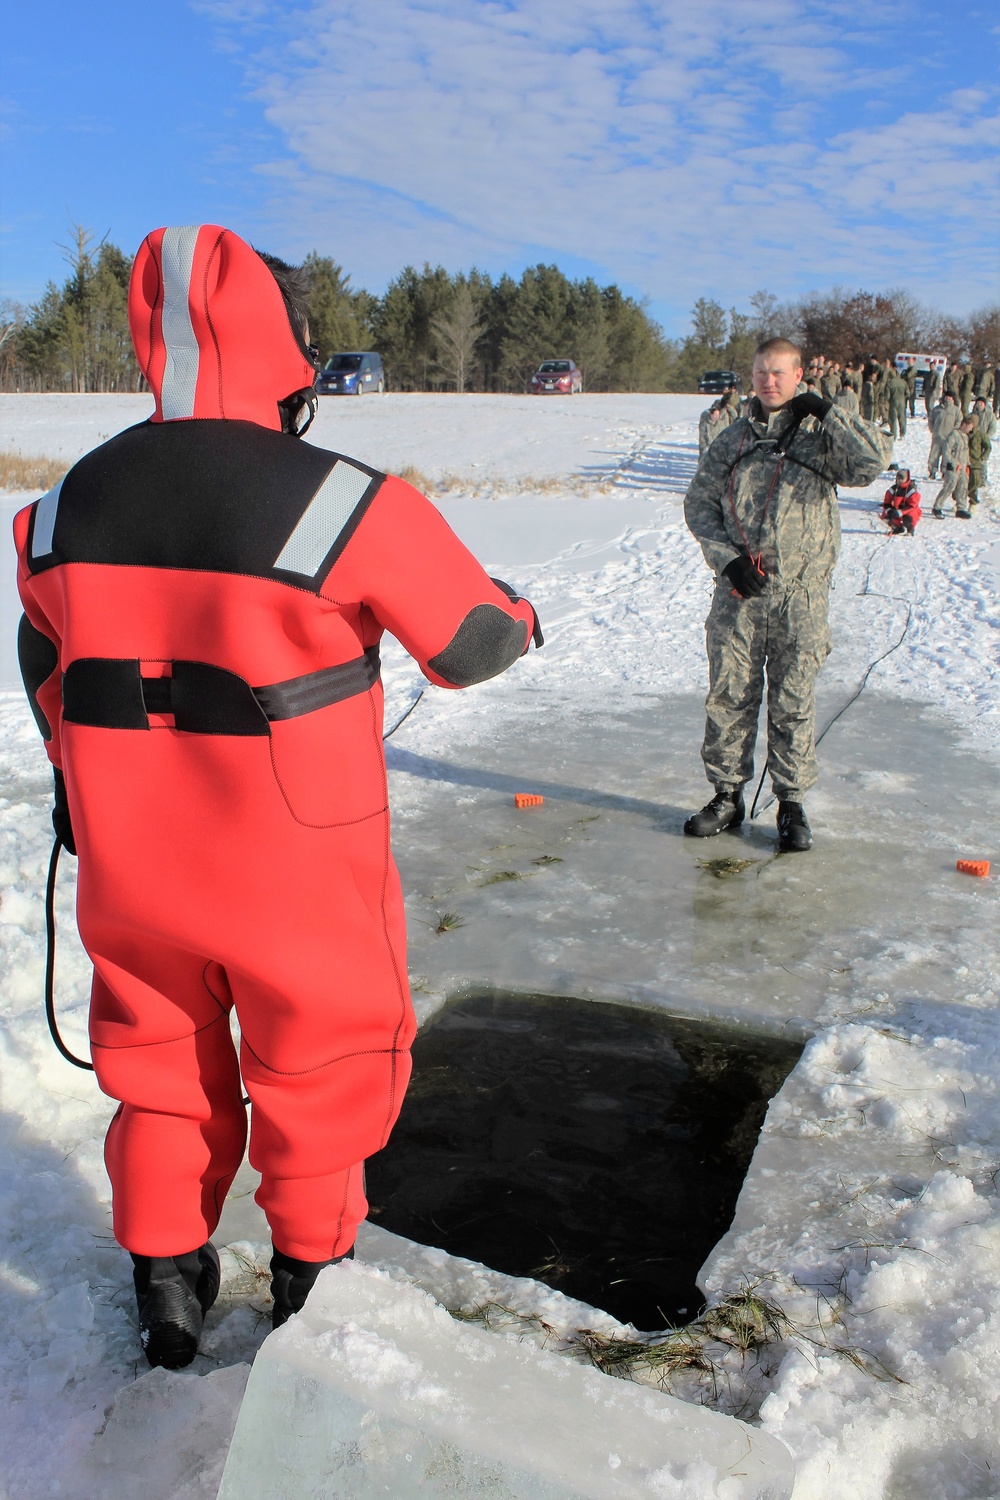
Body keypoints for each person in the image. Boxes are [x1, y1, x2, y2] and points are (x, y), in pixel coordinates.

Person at [13, 224, 543, 1369]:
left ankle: (166, 1282)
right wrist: (521, 606)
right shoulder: (343, 505)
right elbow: (473, 644)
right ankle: (309, 1277)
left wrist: (74, 773)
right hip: (293, 874)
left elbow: (39, 650)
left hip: (130, 871)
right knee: (319, 1062)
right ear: (287, 345)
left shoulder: (60, 510)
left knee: (157, 1063)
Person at [682, 337, 890, 853]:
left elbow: (872, 461)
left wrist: (826, 411)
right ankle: (726, 796)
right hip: (739, 594)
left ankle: (791, 803)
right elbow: (699, 505)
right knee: (729, 695)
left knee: (793, 700)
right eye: (760, 372)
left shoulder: (821, 438)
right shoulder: (731, 440)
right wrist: (726, 558)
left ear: (799, 376)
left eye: (779, 373)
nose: (768, 382)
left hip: (801, 597)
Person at [933, 417, 974, 518]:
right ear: (964, 425)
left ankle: (961, 508)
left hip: (963, 467)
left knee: (962, 487)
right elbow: (947, 449)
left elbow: (965, 452)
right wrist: (950, 462)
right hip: (954, 467)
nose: (970, 430)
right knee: (949, 487)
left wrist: (968, 464)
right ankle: (937, 507)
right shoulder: (954, 435)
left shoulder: (966, 437)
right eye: (969, 427)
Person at [927, 392, 960, 479]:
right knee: (934, 456)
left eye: (950, 397)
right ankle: (932, 472)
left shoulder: (956, 410)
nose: (948, 399)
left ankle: (945, 473)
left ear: (953, 399)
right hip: (937, 437)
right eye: (947, 397)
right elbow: (930, 420)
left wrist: (954, 432)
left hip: (949, 438)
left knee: (947, 456)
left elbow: (959, 422)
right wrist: (933, 429)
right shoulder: (936, 409)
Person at [880, 468, 921, 534]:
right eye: (898, 479)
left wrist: (900, 512)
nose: (900, 481)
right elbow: (886, 502)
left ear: (907, 479)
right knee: (886, 516)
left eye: (902, 479)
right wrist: (889, 510)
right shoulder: (893, 489)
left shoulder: (911, 491)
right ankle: (898, 528)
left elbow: (912, 506)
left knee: (908, 519)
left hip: (909, 511)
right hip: (897, 509)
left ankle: (910, 530)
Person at [968, 421, 991, 507]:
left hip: (975, 463)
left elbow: (988, 447)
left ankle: (973, 503)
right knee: (961, 484)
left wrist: (983, 458)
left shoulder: (980, 434)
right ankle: (959, 503)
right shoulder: (963, 433)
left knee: (974, 483)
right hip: (964, 461)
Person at [887, 367, 909, 438]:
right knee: (902, 418)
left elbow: (887, 395)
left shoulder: (889, 383)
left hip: (893, 402)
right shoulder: (903, 382)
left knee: (893, 419)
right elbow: (907, 393)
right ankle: (902, 433)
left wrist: (889, 400)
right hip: (902, 401)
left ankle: (893, 434)